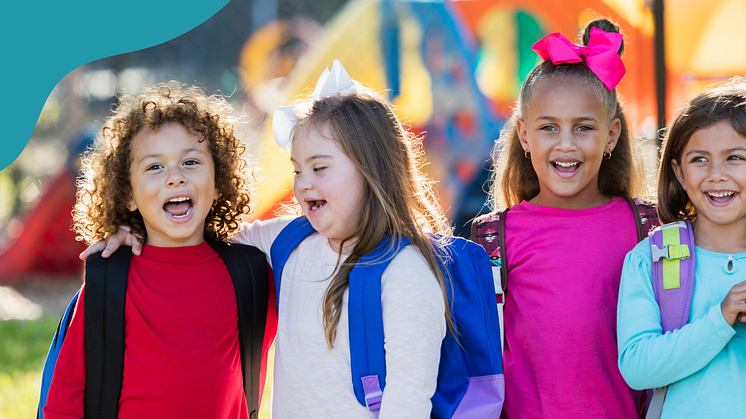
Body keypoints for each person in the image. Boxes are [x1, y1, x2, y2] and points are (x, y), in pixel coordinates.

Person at [84, 61, 453, 418]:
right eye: (297, 168)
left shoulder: (407, 272)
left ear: (373, 170)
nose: (303, 182)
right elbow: (190, 233)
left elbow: (409, 401)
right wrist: (133, 225)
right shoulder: (286, 241)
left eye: (319, 167)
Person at [45, 82, 272, 419]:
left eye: (191, 162)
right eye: (154, 167)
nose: (175, 178)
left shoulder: (254, 274)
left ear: (219, 179)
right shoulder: (108, 282)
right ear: (128, 195)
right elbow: (63, 401)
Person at [471, 18, 656, 419]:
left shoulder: (648, 229)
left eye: (584, 127)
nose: (566, 143)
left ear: (611, 136)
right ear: (523, 135)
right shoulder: (494, 239)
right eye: (549, 127)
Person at [617, 79, 746, 417]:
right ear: (679, 172)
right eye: (700, 159)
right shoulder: (651, 259)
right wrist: (720, 318)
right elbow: (637, 368)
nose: (716, 175)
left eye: (735, 157)